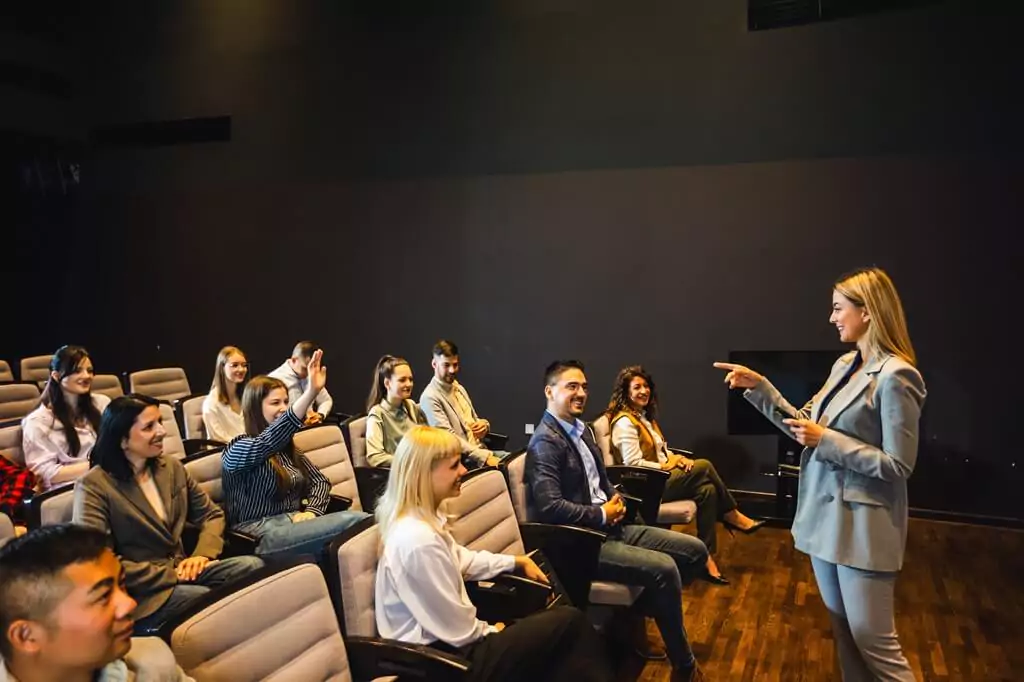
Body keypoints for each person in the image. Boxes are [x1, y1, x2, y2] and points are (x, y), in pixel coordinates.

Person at [714, 266, 926, 682]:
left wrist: (826, 440)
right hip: (826, 525)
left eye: (838, 308)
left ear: (868, 312)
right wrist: (760, 387)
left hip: (864, 530)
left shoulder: (897, 376)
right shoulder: (845, 364)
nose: (831, 318)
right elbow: (803, 426)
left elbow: (898, 464)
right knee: (845, 636)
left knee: (876, 646)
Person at [376, 425, 613, 682]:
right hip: (441, 664)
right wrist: (493, 632)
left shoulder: (420, 523)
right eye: (454, 466)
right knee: (570, 623)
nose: (464, 471)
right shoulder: (418, 541)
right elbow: (458, 629)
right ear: (425, 474)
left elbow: (461, 560)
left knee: (562, 643)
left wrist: (514, 562)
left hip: (447, 650)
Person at [527, 361, 709, 682]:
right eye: (571, 386)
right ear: (549, 391)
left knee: (695, 552)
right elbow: (549, 507)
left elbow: (601, 481)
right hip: (584, 543)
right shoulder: (545, 442)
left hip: (615, 528)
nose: (581, 393)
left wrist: (616, 498)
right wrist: (600, 513)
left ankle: (631, 616)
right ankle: (685, 666)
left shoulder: (581, 430)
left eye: (583, 386)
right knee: (665, 570)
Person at [73, 395, 264, 633]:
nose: (162, 431)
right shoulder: (94, 486)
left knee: (252, 567)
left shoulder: (171, 467)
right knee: (203, 599)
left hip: (185, 569)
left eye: (160, 422)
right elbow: (99, 560)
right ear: (122, 440)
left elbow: (211, 515)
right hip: (141, 591)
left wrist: (201, 556)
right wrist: (170, 574)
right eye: (149, 427)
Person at [605, 365, 764, 584]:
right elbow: (634, 464)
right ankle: (732, 514)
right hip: (644, 487)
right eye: (636, 387)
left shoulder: (644, 418)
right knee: (705, 465)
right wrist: (668, 466)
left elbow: (661, 452)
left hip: (658, 478)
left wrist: (677, 458)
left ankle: (706, 558)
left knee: (707, 491)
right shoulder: (624, 422)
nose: (644, 391)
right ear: (626, 393)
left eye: (646, 386)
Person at [222, 350, 369, 559]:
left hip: (294, 523)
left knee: (360, 533)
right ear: (255, 408)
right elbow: (265, 443)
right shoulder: (238, 448)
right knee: (358, 522)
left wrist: (312, 512)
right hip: (258, 534)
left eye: (285, 402)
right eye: (275, 403)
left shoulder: (286, 448)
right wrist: (310, 394)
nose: (283, 408)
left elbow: (320, 482)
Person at [0, 524, 193, 682]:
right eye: (103, 596)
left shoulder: (152, 662)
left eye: (122, 584)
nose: (129, 604)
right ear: (26, 636)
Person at [22, 346, 111, 491]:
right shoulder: (37, 422)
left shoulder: (102, 403)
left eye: (89, 371)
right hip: (71, 489)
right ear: (56, 376)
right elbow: (44, 473)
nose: (87, 376)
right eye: (77, 371)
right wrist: (97, 465)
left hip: (107, 478)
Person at [419, 340, 503, 468]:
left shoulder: (459, 388)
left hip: (482, 450)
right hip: (464, 461)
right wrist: (485, 458)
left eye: (455, 364)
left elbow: (475, 420)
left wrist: (484, 425)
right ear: (434, 364)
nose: (452, 370)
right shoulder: (430, 397)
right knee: (512, 467)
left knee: (523, 461)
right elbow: (449, 439)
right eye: (446, 365)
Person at [365, 355, 427, 467]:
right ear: (387, 383)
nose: (409, 384)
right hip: (401, 475)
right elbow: (374, 457)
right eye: (402, 380)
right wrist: (408, 461)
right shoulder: (377, 413)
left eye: (410, 379)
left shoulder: (411, 405)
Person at [268, 341, 333, 424]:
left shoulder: (311, 374)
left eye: (311, 368)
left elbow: (326, 400)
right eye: (305, 368)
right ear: (294, 360)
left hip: (310, 429)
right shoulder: (274, 380)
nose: (309, 374)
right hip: (287, 431)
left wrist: (320, 414)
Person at [201, 345, 249, 442]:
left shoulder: (245, 396)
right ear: (222, 368)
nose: (241, 369)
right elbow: (219, 439)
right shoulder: (211, 404)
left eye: (244, 365)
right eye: (235, 365)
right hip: (226, 453)